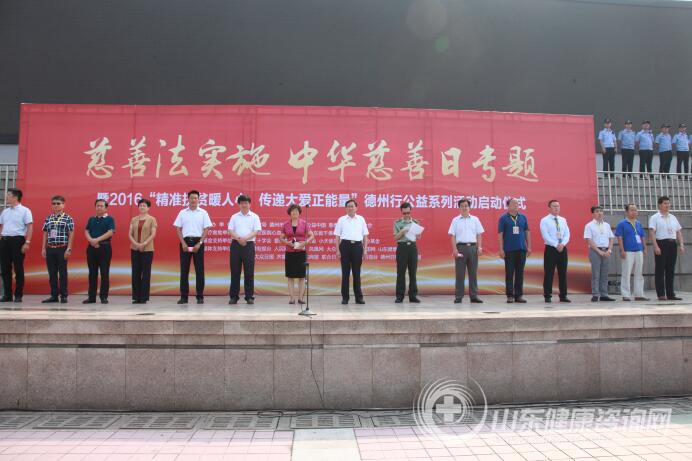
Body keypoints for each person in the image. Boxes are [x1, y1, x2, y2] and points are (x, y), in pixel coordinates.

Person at [174, 190, 212, 304]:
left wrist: (199, 243)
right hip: (185, 242)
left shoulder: (203, 213)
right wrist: (183, 243)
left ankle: (200, 296)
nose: (193, 200)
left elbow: (206, 229)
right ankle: (184, 297)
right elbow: (178, 229)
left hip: (198, 243)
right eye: (191, 198)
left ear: (199, 199)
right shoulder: (182, 212)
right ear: (188, 199)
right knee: (184, 270)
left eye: (195, 198)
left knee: (199, 270)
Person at [448, 198, 484, 304]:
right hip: (461, 248)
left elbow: (479, 234)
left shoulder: (475, 219)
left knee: (473, 273)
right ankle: (459, 296)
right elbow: (452, 236)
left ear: (469, 207)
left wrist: (479, 247)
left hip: (473, 248)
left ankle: (474, 296)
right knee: (460, 274)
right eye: (462, 206)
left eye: (466, 206)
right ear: (459, 208)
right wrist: (454, 249)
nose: (464, 208)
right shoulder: (455, 220)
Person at [649, 196, 685, 301]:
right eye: (665, 203)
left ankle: (670, 294)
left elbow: (678, 232)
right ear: (659, 205)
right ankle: (661, 294)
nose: (667, 205)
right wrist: (656, 246)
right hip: (661, 243)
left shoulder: (673, 217)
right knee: (660, 269)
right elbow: (652, 232)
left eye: (668, 203)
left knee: (671, 269)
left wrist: (681, 244)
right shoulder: (655, 217)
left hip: (672, 244)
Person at [0, 188, 33, 303]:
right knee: (5, 268)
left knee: (18, 268)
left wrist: (27, 242)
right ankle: (7, 295)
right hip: (5, 241)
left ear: (15, 197)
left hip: (18, 241)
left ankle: (18, 295)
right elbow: (1, 226)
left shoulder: (25, 211)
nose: (6, 197)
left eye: (8, 195)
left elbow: (30, 227)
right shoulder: (5, 211)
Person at [228, 194, 262, 305]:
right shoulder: (234, 217)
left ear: (249, 204)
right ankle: (234, 297)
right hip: (236, 245)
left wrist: (245, 239)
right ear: (239, 204)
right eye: (242, 203)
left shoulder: (254, 217)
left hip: (249, 245)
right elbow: (230, 230)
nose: (244, 205)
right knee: (235, 272)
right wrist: (239, 238)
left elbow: (256, 231)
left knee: (249, 272)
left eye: (246, 203)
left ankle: (249, 296)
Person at [334, 199, 369, 305]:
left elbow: (365, 236)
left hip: (357, 247)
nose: (350, 208)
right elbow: (337, 236)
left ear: (356, 208)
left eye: (352, 206)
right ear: (346, 208)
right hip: (345, 246)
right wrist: (337, 250)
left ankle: (359, 298)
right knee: (345, 273)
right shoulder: (341, 219)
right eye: (348, 206)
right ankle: (345, 298)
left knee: (356, 273)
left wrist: (365, 250)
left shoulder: (361, 219)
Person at [41, 195, 74, 303]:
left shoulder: (68, 218)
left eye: (58, 203)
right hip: (50, 248)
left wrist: (69, 249)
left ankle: (64, 295)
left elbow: (71, 234)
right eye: (54, 203)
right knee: (52, 273)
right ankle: (54, 296)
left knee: (63, 273)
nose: (56, 205)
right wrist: (43, 248)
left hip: (62, 248)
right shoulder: (48, 218)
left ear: (63, 205)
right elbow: (45, 234)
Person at [279, 203, 314, 305]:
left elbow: (312, 236)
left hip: (301, 252)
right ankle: (292, 298)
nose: (295, 212)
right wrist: (287, 243)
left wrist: (305, 242)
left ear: (299, 213)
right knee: (290, 276)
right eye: (293, 211)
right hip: (290, 252)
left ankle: (300, 298)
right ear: (290, 213)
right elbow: (281, 237)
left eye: (296, 211)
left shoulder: (304, 223)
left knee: (301, 276)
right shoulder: (286, 224)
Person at [498, 198, 531, 303]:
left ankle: (519, 295)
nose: (516, 205)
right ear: (508, 206)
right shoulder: (503, 218)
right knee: (509, 273)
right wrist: (501, 249)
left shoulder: (523, 217)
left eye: (518, 203)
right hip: (509, 250)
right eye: (514, 203)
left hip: (521, 249)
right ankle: (510, 295)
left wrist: (529, 246)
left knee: (520, 273)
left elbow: (527, 232)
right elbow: (500, 234)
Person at [614, 204, 649, 301]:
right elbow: (619, 237)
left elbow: (642, 236)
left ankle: (639, 294)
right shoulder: (622, 223)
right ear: (627, 212)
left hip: (638, 250)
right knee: (626, 273)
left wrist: (644, 248)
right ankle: (626, 294)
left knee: (639, 272)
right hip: (628, 251)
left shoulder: (638, 223)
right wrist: (622, 250)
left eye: (636, 210)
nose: (634, 212)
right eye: (632, 210)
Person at [84, 199, 114, 304]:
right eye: (97, 206)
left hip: (104, 248)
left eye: (101, 206)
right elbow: (86, 230)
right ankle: (91, 297)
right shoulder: (91, 219)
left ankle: (103, 297)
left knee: (104, 273)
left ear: (106, 208)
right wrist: (91, 240)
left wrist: (97, 240)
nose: (99, 207)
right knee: (92, 273)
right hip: (91, 248)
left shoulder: (109, 219)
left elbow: (110, 232)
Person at [540, 200, 571, 303]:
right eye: (554, 206)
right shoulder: (544, 220)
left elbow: (567, 234)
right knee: (549, 272)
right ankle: (547, 295)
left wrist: (563, 244)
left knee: (563, 273)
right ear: (549, 208)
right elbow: (545, 236)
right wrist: (555, 245)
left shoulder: (563, 220)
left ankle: (563, 295)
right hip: (551, 249)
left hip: (562, 248)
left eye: (558, 206)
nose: (557, 208)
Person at [583, 205, 615, 302]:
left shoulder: (607, 225)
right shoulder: (589, 225)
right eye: (597, 211)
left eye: (601, 211)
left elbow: (611, 238)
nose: (600, 213)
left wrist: (609, 250)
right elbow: (589, 240)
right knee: (596, 274)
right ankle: (595, 294)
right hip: (595, 251)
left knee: (604, 274)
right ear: (593, 214)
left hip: (606, 251)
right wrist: (599, 251)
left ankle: (604, 294)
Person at [393, 202, 423, 303]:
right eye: (404, 213)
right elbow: (395, 238)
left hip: (412, 247)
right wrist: (402, 232)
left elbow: (419, 237)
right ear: (401, 212)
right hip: (402, 247)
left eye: (408, 213)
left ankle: (413, 296)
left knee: (413, 272)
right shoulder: (397, 223)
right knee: (401, 273)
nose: (406, 215)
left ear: (410, 211)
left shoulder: (415, 222)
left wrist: (417, 234)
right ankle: (399, 296)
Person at [129, 199, 157, 304]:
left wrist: (144, 244)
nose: (142, 207)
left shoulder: (152, 219)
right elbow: (130, 234)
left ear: (148, 208)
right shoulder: (134, 219)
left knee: (146, 274)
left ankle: (144, 297)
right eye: (140, 205)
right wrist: (136, 244)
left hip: (147, 249)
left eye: (144, 206)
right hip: (135, 249)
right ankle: (136, 297)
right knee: (135, 272)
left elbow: (153, 234)